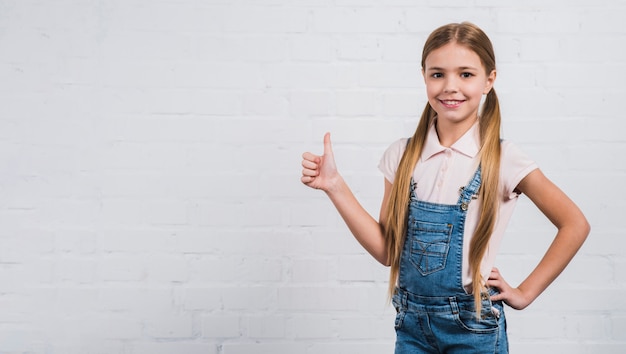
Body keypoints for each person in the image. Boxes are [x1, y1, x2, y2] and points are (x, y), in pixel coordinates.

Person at [300, 22, 590, 353]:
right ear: (424, 76)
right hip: (411, 326)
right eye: (437, 74)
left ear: (489, 81)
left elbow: (574, 224)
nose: (450, 86)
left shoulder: (502, 158)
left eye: (465, 74)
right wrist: (335, 186)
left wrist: (525, 293)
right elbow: (387, 251)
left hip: (473, 328)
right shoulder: (402, 155)